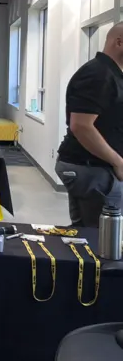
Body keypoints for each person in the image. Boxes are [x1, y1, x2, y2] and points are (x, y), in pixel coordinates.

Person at [56, 23, 123, 227]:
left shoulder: (111, 74)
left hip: (95, 167)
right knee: (102, 236)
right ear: (119, 42)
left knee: (87, 233)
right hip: (93, 168)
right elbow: (81, 126)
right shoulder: (98, 74)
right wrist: (118, 162)